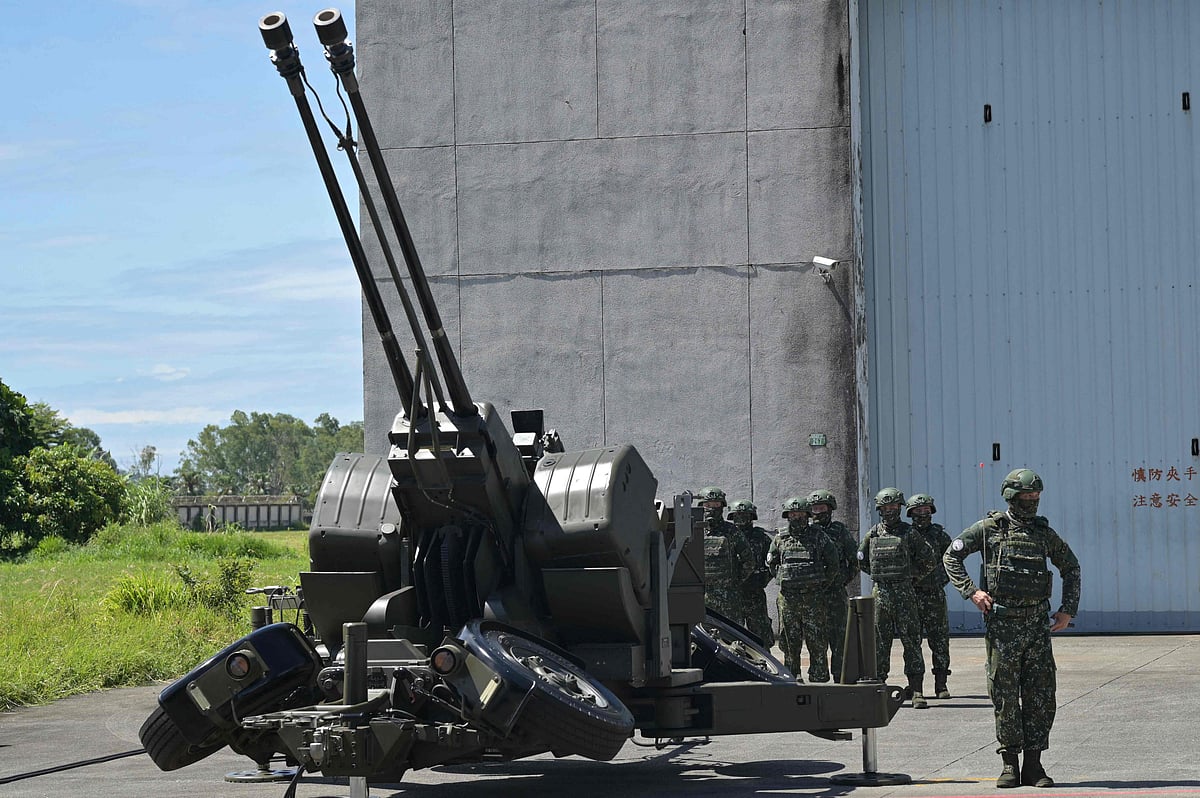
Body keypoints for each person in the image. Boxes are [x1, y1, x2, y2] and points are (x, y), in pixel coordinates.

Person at [944, 468, 1080, 789]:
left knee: (1040, 695)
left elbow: (1071, 566)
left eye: (1035, 496)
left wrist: (1067, 610)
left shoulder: (1043, 533)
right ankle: (1009, 764)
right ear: (1011, 497)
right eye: (1026, 496)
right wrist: (972, 592)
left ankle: (1034, 765)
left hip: (1036, 626)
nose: (1031, 501)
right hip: (1003, 626)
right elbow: (952, 556)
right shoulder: (989, 529)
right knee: (1004, 695)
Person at [857, 487, 936, 708]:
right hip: (881, 594)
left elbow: (929, 559)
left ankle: (917, 689)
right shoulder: (873, 534)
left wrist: (912, 576)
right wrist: (881, 577)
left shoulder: (909, 533)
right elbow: (862, 560)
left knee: (911, 641)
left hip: (904, 594)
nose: (890, 510)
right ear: (879, 509)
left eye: (893, 506)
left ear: (900, 508)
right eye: (886, 507)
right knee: (880, 643)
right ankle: (880, 686)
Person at [766, 496, 839, 682]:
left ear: (807, 515)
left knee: (817, 640)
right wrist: (783, 579)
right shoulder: (780, 538)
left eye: (800, 514)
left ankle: (819, 677)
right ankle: (792, 676)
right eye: (792, 514)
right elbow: (771, 563)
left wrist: (821, 585)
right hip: (788, 599)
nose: (796, 517)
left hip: (813, 598)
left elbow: (833, 564)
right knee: (789, 641)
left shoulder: (818, 536)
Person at [806, 488, 859, 682]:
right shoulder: (806, 532)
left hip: (835, 594)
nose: (818, 512)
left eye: (822, 508)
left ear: (830, 509)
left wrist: (843, 580)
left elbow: (855, 561)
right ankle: (819, 678)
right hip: (812, 595)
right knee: (815, 638)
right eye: (815, 508)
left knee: (839, 638)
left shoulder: (840, 531)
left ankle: (840, 677)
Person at [906, 493, 953, 698]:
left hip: (934, 594)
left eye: (926, 510)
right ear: (911, 513)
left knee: (939, 640)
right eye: (918, 510)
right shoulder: (905, 534)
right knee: (912, 641)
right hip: (911, 595)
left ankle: (941, 684)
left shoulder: (939, 535)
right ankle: (915, 685)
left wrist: (940, 580)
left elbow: (952, 561)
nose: (922, 514)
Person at [697, 486, 753, 622]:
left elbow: (749, 561)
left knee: (730, 632)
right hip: (701, 595)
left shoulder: (732, 531)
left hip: (728, 597)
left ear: (722, 506)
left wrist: (735, 581)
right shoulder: (694, 530)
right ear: (701, 506)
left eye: (716, 504)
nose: (711, 508)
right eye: (707, 505)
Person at [728, 499, 774, 648]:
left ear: (752, 517)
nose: (741, 518)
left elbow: (774, 561)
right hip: (733, 594)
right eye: (737, 515)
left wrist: (765, 578)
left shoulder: (761, 537)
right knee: (733, 635)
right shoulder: (727, 536)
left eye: (745, 515)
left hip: (755, 593)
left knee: (761, 635)